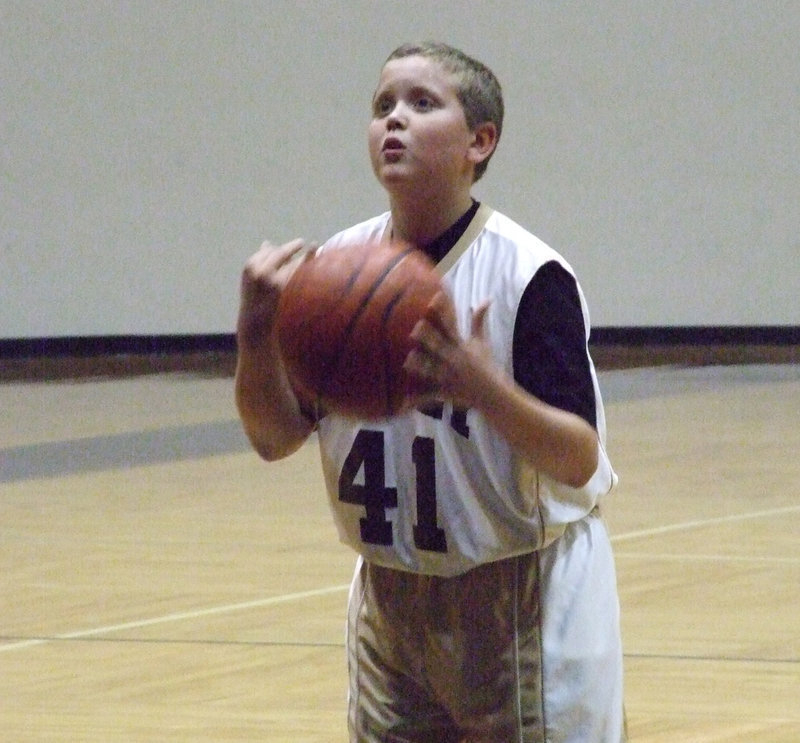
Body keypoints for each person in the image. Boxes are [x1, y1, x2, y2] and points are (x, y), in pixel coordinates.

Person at [235, 41, 626, 743]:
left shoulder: (528, 276)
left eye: (421, 103)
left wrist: (487, 390)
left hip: (517, 594)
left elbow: (579, 460)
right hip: (390, 595)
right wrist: (256, 332)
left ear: (480, 141)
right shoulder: (334, 274)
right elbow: (272, 437)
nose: (394, 120)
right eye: (383, 104)